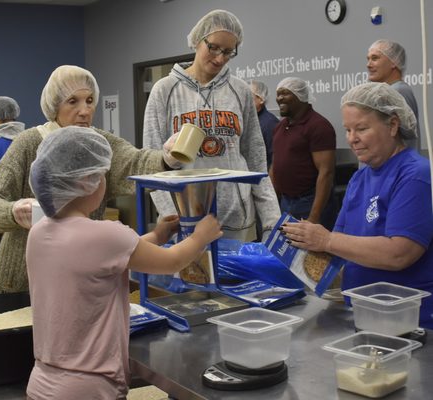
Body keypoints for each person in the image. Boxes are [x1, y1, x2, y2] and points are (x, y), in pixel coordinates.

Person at [25, 127, 222, 399]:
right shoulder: (104, 235)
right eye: (103, 175)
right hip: (89, 388)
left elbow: (108, 256)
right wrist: (201, 236)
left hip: (42, 382)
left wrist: (157, 235)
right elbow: (172, 261)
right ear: (87, 182)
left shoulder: (39, 231)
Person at [0, 65, 179, 293]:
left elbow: (135, 162)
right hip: (24, 279)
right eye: (73, 101)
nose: (85, 110)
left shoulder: (99, 144)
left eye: (90, 100)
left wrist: (167, 158)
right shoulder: (29, 143)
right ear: (54, 106)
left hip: (83, 271)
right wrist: (12, 211)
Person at [281, 82, 433, 329]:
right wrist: (298, 249)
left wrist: (326, 240)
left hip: (408, 323)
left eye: (361, 128)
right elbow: (341, 246)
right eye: (348, 130)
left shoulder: (414, 174)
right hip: (363, 314)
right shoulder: (360, 178)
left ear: (393, 125)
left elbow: (400, 253)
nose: (352, 139)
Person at [143, 9, 280, 243]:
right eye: (213, 48)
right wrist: (174, 217)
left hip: (237, 219)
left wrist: (271, 222)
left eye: (228, 52)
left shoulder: (240, 92)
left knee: (237, 279)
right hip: (185, 220)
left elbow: (256, 160)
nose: (220, 58)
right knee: (194, 277)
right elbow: (152, 164)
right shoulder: (164, 90)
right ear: (198, 41)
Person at [270, 77, 336, 229]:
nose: (279, 98)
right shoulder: (280, 127)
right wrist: (272, 205)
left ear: (300, 96)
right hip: (285, 202)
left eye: (285, 93)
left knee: (312, 252)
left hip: (309, 202)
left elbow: (326, 173)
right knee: (288, 250)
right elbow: (275, 166)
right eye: (278, 94)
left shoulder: (319, 126)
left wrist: (314, 217)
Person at [367, 39, 421, 150]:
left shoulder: (398, 91)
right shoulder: (392, 90)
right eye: (368, 59)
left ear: (394, 62)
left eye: (375, 58)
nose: (368, 64)